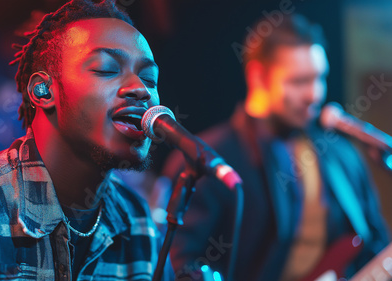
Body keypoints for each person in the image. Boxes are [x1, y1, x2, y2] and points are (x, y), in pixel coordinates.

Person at [0, 0, 169, 280]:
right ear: (43, 90)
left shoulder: (138, 222)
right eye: (107, 69)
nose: (140, 89)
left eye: (150, 79)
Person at [165, 14, 390, 281]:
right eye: (299, 81)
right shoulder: (207, 157)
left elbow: (374, 244)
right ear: (257, 76)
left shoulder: (342, 155)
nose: (315, 94)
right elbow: (178, 262)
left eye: (320, 78)